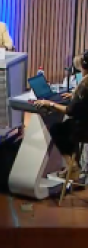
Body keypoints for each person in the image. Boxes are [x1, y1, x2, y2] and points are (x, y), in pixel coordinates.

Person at [33, 51, 88, 181]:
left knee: (57, 129)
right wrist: (73, 96)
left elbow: (70, 111)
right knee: (68, 126)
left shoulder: (85, 85)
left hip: (84, 130)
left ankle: (73, 166)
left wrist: (50, 104)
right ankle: (73, 166)